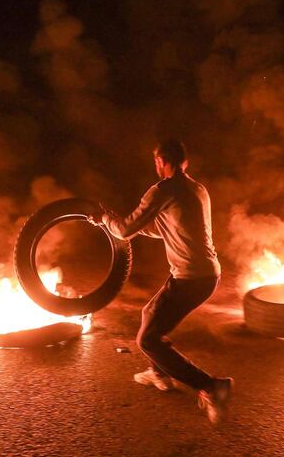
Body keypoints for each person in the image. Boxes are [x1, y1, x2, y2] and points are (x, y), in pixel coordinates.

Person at [90, 139, 233, 424]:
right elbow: (172, 227)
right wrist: (136, 228)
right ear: (185, 162)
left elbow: (123, 230)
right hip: (208, 274)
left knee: (147, 340)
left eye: (156, 162)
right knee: (149, 315)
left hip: (190, 278)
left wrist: (104, 217)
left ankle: (211, 386)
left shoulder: (162, 190)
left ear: (161, 162)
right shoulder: (198, 189)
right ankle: (159, 372)